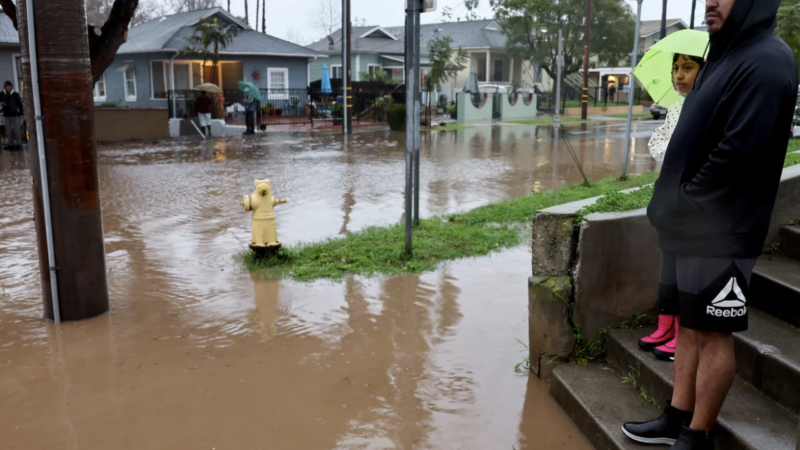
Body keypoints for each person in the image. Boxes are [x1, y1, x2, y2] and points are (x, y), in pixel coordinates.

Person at [623, 1, 797, 449]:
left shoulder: (767, 60)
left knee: (715, 334)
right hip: (691, 224)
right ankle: (676, 416)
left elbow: (740, 153)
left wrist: (683, 201)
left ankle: (697, 436)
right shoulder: (721, 55)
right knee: (689, 323)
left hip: (724, 227)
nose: (709, 2)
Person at [640, 53, 706, 362]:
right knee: (667, 264)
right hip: (669, 195)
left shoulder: (707, 107)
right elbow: (659, 144)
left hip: (690, 202)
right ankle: (665, 324)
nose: (679, 75)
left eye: (688, 68)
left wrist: (675, 148)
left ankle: (681, 332)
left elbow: (688, 150)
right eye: (676, 68)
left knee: (683, 269)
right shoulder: (677, 106)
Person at [2, 81, 23, 150]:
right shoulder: (2, 94)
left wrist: (21, 113)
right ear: (5, 87)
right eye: (8, 86)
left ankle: (18, 144)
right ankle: (10, 144)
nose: (9, 87)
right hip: (6, 115)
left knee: (17, 130)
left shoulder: (15, 94)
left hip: (15, 115)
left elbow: (20, 104)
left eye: (10, 86)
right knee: (8, 130)